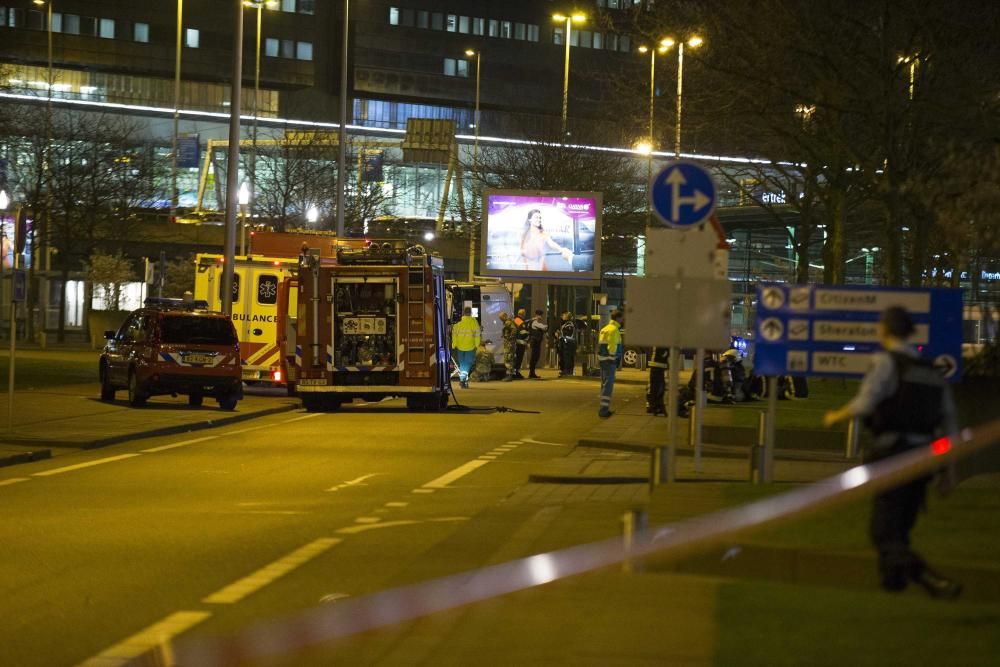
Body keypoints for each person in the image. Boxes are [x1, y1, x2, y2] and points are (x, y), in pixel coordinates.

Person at [823, 306, 961, 598]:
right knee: (901, 528)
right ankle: (892, 587)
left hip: (894, 453)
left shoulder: (886, 363)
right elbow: (949, 421)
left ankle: (932, 581)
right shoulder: (932, 371)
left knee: (883, 531)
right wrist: (949, 470)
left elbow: (865, 404)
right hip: (924, 458)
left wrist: (836, 416)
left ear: (884, 330)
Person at [597, 309, 624, 418]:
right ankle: (604, 410)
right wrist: (614, 358)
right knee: (608, 385)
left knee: (604, 385)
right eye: (622, 318)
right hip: (610, 361)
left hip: (603, 360)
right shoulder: (614, 330)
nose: (623, 320)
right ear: (617, 318)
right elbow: (612, 346)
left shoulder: (604, 329)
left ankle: (603, 408)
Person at [450, 306, 481, 389]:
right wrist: (477, 345)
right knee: (467, 364)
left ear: (463, 313)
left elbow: (454, 335)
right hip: (470, 347)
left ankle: (464, 381)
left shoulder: (458, 325)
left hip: (459, 347)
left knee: (462, 364)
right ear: (470, 313)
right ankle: (463, 380)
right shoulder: (474, 323)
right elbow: (477, 335)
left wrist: (454, 345)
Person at [646, 347, 669, 415]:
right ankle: (653, 406)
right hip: (657, 366)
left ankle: (655, 406)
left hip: (658, 366)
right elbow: (661, 354)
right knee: (656, 388)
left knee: (658, 388)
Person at [555, 311, 577, 376]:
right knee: (564, 357)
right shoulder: (565, 324)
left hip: (568, 343)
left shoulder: (569, 324)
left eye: (564, 315)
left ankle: (568, 370)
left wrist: (560, 336)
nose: (562, 316)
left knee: (568, 357)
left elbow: (567, 334)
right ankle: (564, 370)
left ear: (567, 317)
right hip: (565, 343)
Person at [527, 309, 548, 379]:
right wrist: (545, 327)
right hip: (535, 342)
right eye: (540, 315)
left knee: (535, 356)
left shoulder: (535, 322)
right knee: (534, 357)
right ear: (537, 315)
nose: (541, 316)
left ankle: (532, 372)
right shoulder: (535, 322)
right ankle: (531, 373)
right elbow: (544, 327)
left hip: (536, 342)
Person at [499, 311, 518, 381]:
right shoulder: (508, 322)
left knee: (508, 359)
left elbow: (514, 330)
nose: (500, 319)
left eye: (501, 318)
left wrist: (509, 337)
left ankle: (509, 375)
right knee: (510, 359)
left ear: (504, 316)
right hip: (510, 343)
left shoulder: (508, 322)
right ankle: (511, 374)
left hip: (509, 344)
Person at [512, 308, 529, 379]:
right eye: (524, 313)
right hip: (520, 342)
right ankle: (516, 373)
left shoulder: (516, 320)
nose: (525, 315)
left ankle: (515, 372)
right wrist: (528, 333)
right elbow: (523, 332)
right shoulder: (520, 321)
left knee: (517, 358)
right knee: (519, 358)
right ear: (522, 314)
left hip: (517, 342)